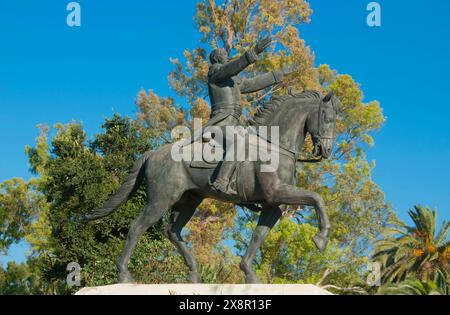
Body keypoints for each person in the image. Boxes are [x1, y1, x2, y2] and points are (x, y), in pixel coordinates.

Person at [205, 36, 297, 195]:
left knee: (256, 145)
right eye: (222, 54)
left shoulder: (232, 81)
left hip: (233, 125)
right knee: (240, 142)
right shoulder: (216, 73)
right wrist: (253, 52)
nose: (226, 55)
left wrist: (278, 74)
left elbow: (253, 83)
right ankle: (220, 181)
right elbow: (231, 68)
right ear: (216, 59)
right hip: (219, 125)